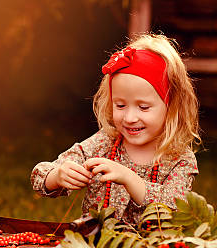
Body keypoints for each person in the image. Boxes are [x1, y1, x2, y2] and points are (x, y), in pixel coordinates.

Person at [31, 34, 201, 224]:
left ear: (171, 107)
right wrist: (58, 176)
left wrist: (128, 178)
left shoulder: (179, 158)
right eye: (120, 105)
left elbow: (176, 207)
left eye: (143, 107)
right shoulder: (105, 142)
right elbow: (40, 175)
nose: (129, 118)